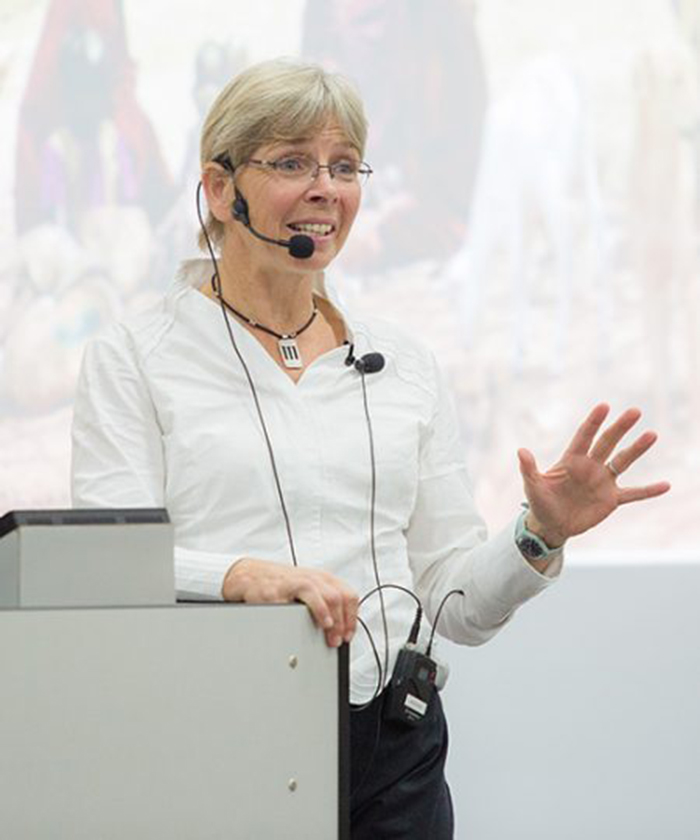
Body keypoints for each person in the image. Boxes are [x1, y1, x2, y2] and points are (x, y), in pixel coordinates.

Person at [71, 59, 670, 839]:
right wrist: (241, 576)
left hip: (394, 750)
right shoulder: (136, 357)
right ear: (220, 190)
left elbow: (456, 602)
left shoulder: (405, 365)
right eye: (293, 163)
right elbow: (109, 571)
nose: (327, 189)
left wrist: (539, 533)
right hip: (216, 737)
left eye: (345, 166)